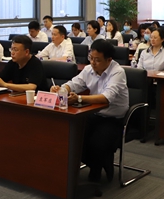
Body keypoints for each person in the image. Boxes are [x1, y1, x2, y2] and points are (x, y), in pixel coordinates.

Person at [50, 40, 128, 182]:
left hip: (113, 119)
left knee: (96, 144)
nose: (93, 62)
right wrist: (61, 89)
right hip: (92, 114)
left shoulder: (117, 72)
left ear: (109, 60)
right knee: (73, 137)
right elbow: (74, 83)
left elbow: (106, 98)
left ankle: (98, 169)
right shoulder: (88, 69)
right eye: (91, 58)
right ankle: (99, 163)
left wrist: (79, 98)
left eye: (97, 60)